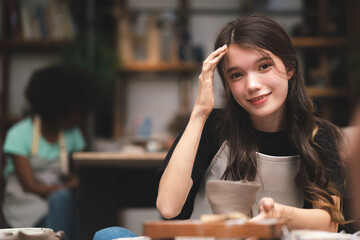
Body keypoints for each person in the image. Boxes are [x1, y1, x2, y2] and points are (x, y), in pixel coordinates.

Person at [156, 14, 346, 232]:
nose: (252, 85)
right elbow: (168, 207)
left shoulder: (317, 135)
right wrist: (199, 113)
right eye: (236, 75)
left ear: (290, 68)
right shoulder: (211, 126)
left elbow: (330, 224)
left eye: (264, 66)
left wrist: (279, 214)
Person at [2, 65, 94, 239]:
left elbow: (81, 172)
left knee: (65, 202)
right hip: (27, 203)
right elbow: (29, 186)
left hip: (58, 202)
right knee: (64, 201)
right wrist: (67, 186)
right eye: (73, 111)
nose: (77, 118)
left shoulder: (72, 134)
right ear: (57, 108)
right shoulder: (19, 134)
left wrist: (73, 182)